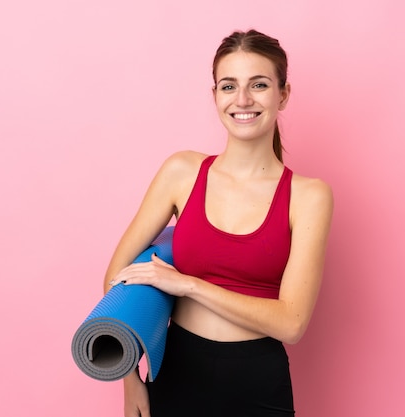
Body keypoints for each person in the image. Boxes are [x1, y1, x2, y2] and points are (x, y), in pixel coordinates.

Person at [103, 29, 333, 417]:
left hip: (257, 383)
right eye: (229, 86)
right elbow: (115, 278)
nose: (242, 100)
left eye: (258, 84)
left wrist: (189, 285)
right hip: (174, 373)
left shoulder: (309, 196)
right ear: (215, 96)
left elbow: (291, 323)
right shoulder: (182, 171)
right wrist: (131, 382)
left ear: (283, 94)